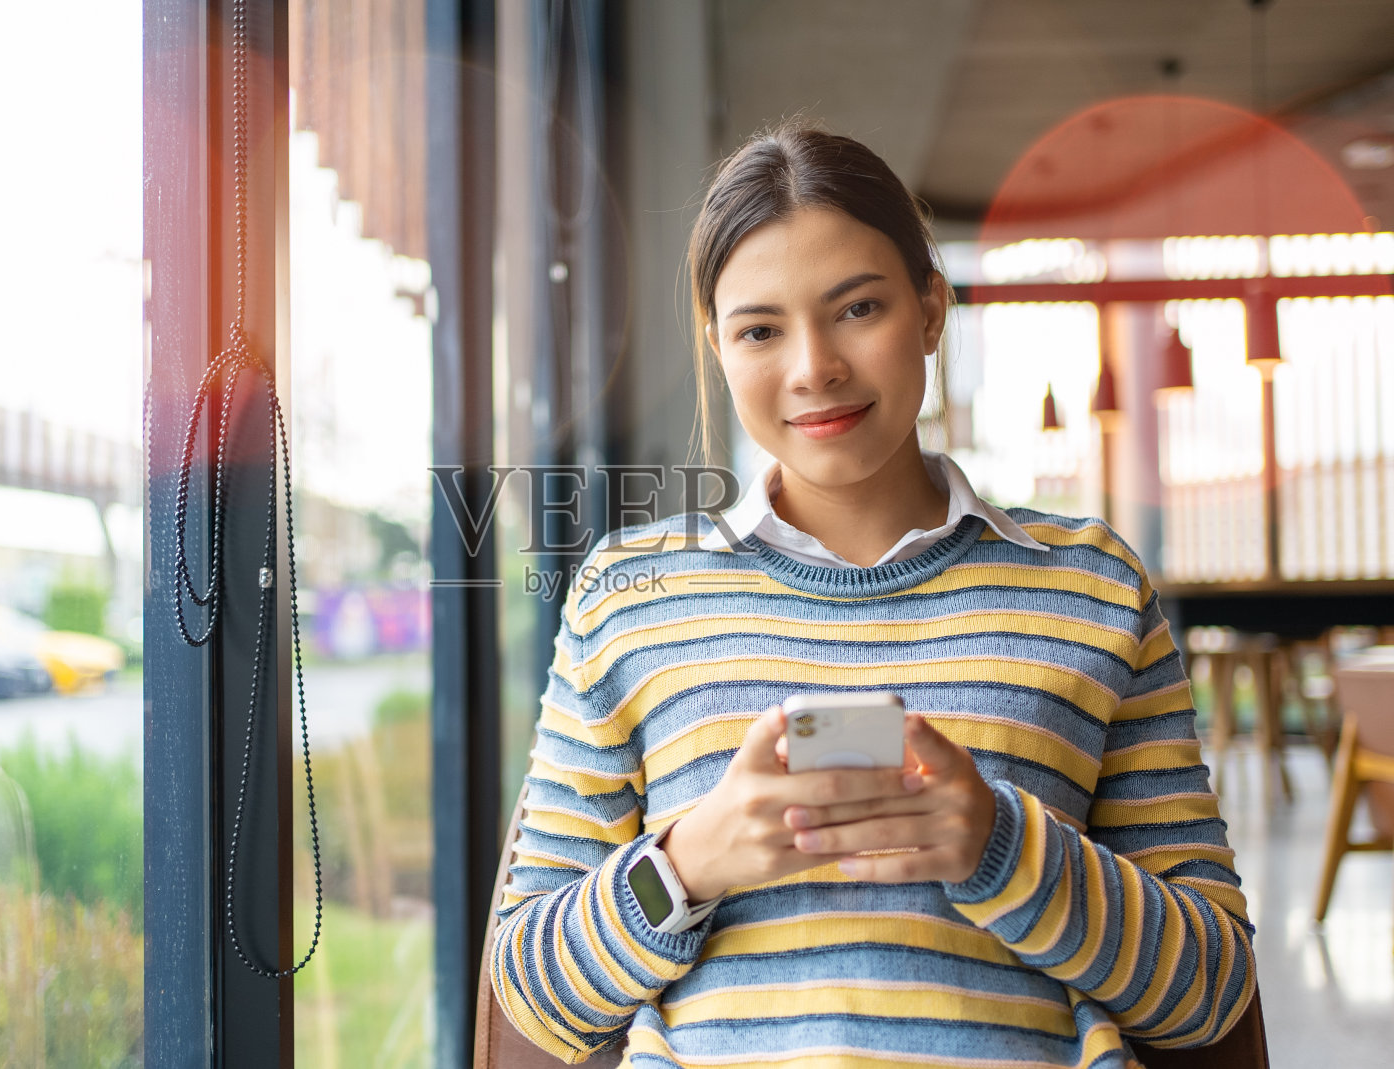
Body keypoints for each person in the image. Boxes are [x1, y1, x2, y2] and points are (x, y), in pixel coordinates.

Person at [489, 120, 1255, 1069]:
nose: (813, 366)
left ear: (931, 309)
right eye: (761, 329)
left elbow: (1214, 995)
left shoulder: (1091, 584)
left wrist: (1000, 844)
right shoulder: (627, 596)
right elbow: (530, 996)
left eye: (857, 308)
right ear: (719, 348)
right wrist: (689, 862)